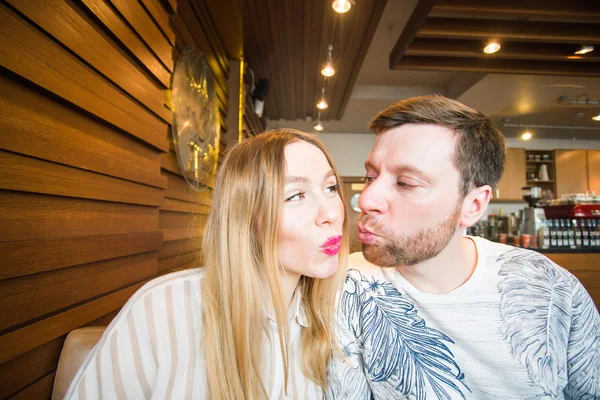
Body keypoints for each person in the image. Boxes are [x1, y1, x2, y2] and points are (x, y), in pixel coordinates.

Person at [328, 95, 600, 399]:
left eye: (405, 183)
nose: (366, 200)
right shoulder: (343, 287)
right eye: (370, 177)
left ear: (473, 205)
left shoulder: (548, 288)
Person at [65, 129, 348, 399]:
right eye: (295, 195)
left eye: (331, 187)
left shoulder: (338, 319)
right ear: (246, 218)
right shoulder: (162, 309)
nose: (330, 213)